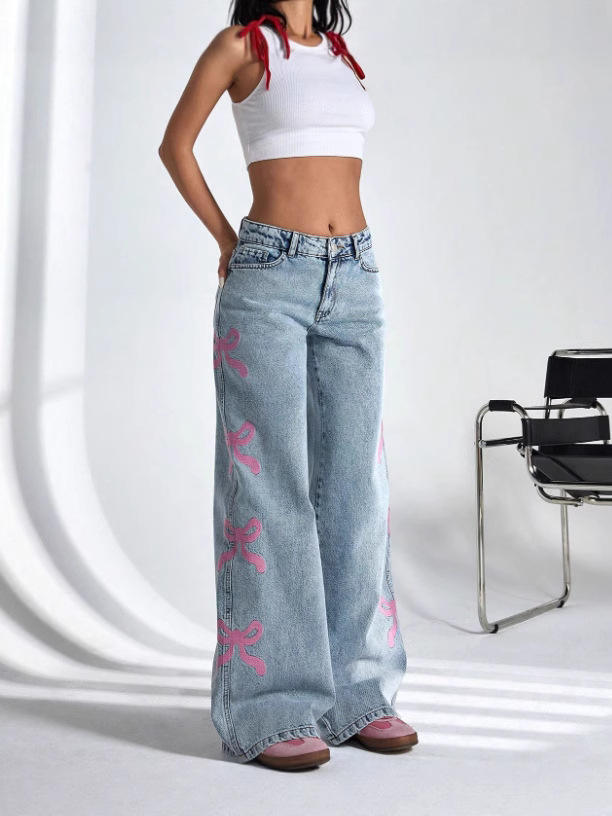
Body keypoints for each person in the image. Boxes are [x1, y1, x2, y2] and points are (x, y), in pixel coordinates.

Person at [158, 0, 418, 771]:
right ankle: (269, 707)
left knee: (357, 487)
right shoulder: (240, 46)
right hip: (269, 274)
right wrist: (227, 239)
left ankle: (357, 694)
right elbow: (175, 146)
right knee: (270, 491)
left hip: (357, 274)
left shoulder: (337, 53)